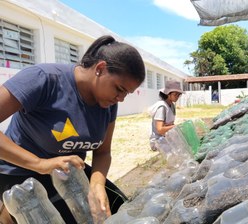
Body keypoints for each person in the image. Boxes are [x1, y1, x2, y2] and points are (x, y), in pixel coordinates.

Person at [0, 35, 145, 224]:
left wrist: (97, 184)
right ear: (100, 69)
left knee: (119, 209)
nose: (121, 98)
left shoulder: (108, 103)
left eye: (127, 93)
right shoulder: (43, 79)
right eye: (119, 89)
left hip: (67, 174)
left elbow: (103, 152)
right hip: (21, 173)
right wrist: (40, 164)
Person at [149, 80, 183, 151]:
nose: (177, 97)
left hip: (167, 136)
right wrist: (175, 127)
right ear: (168, 94)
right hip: (158, 140)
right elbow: (160, 129)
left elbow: (170, 125)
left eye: (178, 95)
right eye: (175, 94)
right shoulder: (162, 107)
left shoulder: (172, 106)